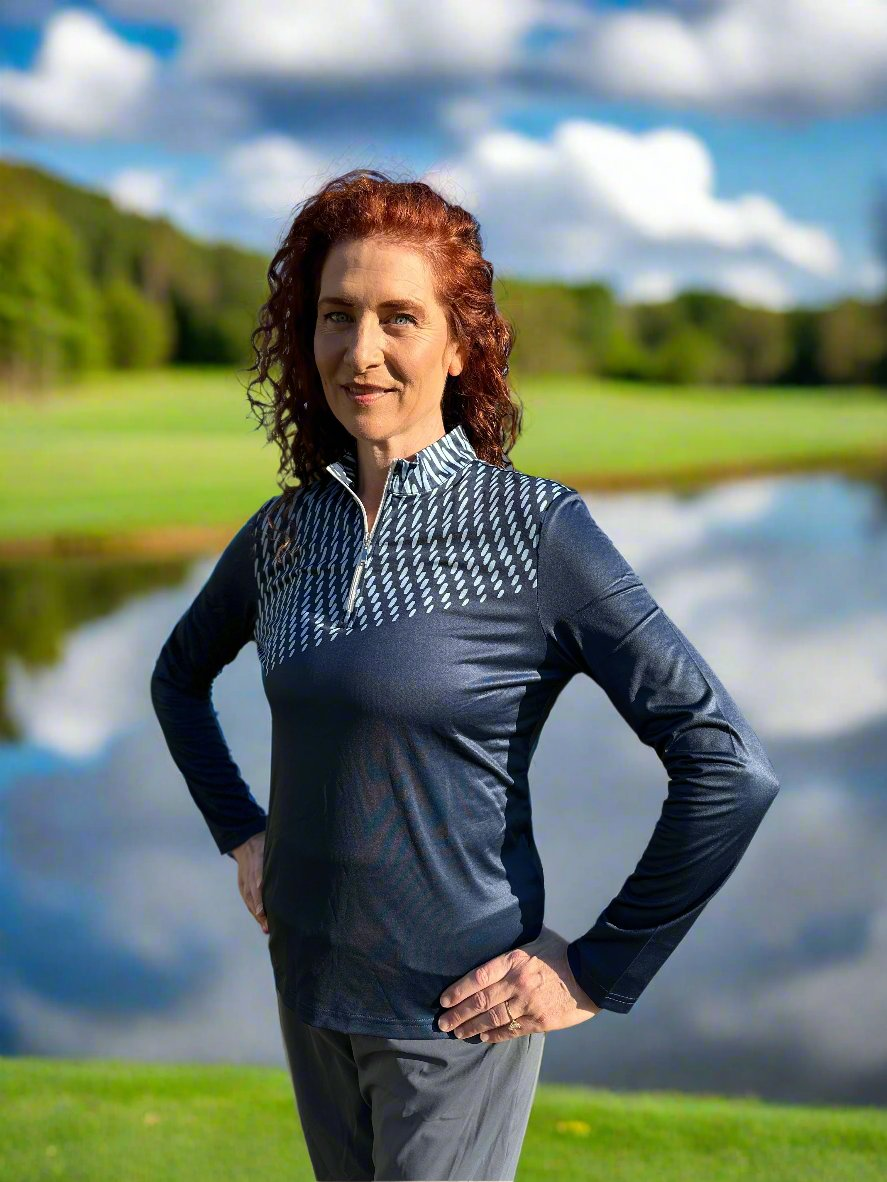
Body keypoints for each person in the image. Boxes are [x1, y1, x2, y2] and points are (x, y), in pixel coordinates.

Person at [150, 168, 781, 1182]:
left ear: (458, 345)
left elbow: (726, 767)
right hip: (308, 988)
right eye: (335, 315)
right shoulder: (285, 532)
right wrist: (243, 832)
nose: (360, 350)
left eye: (398, 317)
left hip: (454, 1016)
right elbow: (178, 679)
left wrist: (595, 970)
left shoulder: (534, 530)